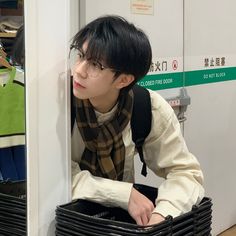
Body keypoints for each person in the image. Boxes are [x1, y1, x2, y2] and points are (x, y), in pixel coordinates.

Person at [70, 15, 204, 226]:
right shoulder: (56, 106)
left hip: (116, 222)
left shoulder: (147, 107)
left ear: (124, 80)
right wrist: (122, 194)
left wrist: (162, 215)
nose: (79, 70)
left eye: (95, 64)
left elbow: (185, 172)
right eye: (80, 55)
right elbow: (53, 177)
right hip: (60, 220)